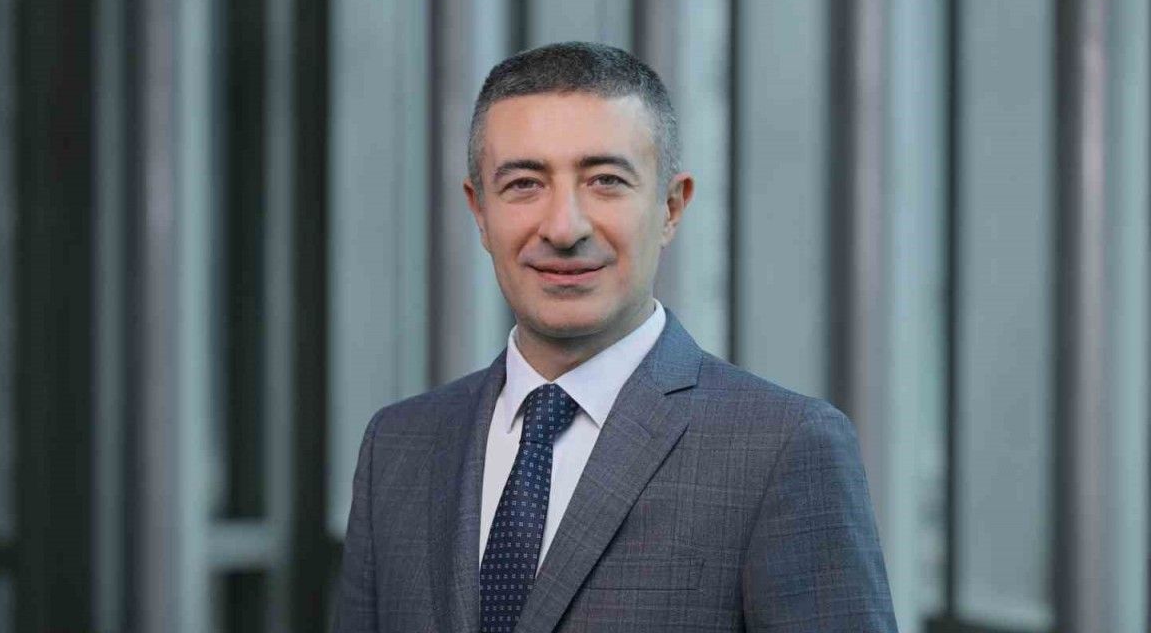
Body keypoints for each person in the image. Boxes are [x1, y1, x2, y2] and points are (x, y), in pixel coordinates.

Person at [333, 42, 897, 632]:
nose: (563, 228)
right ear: (479, 212)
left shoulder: (784, 448)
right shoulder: (398, 446)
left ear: (671, 207)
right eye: (524, 184)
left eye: (605, 181)